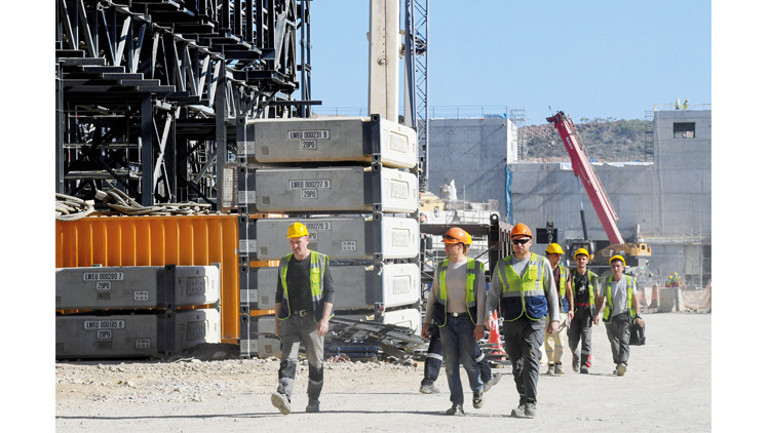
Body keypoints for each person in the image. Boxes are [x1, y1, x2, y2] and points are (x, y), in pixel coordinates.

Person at [486, 223, 560, 419]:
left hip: (535, 318)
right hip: (512, 318)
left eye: (523, 241)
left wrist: (554, 319)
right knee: (517, 363)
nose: (519, 245)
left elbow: (551, 293)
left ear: (530, 242)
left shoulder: (541, 263)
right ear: (512, 242)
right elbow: (493, 294)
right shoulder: (503, 265)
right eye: (516, 241)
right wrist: (489, 314)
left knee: (531, 355)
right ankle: (523, 399)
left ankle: (531, 403)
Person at [271, 222, 334, 415]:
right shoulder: (284, 263)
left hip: (312, 321)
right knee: (288, 358)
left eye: (298, 241)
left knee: (316, 362)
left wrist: (325, 319)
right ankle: (284, 396)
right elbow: (279, 294)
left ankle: (313, 400)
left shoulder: (320, 260)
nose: (295, 246)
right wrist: (277, 321)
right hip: (290, 319)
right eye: (291, 242)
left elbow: (330, 292)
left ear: (307, 240)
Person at [422, 227, 486, 416]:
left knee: (468, 360)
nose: (446, 248)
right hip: (446, 321)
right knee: (450, 365)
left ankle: (478, 387)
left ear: (461, 246)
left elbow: (481, 298)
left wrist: (480, 324)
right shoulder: (442, 267)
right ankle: (457, 404)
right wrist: (426, 322)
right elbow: (433, 296)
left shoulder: (475, 267)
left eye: (449, 245)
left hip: (467, 321)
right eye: (446, 245)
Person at [420, 317, 502, 394]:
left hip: (442, 317)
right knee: (471, 347)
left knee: (436, 347)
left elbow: (431, 305)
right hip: (461, 317)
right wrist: (485, 317)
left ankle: (428, 382)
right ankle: (487, 378)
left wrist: (426, 322)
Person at [593, 255, 645, 376]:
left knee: (624, 339)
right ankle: (618, 364)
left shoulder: (629, 281)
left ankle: (623, 363)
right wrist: (596, 314)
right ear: (611, 268)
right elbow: (600, 299)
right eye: (613, 266)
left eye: (618, 266)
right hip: (610, 317)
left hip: (625, 316)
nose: (616, 269)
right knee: (614, 342)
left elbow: (635, 299)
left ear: (623, 267)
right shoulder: (606, 281)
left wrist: (637, 315)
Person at [567, 248, 599, 374]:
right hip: (573, 312)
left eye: (583, 259)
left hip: (586, 313)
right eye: (579, 259)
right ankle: (576, 357)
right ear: (575, 260)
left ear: (587, 260)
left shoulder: (592, 277)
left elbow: (598, 296)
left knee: (586, 340)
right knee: (572, 341)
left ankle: (584, 364)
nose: (581, 261)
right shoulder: (570, 275)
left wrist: (596, 314)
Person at [544, 243, 573, 376]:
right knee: (548, 337)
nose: (559, 257)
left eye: (560, 255)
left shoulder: (565, 271)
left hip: (561, 307)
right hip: (545, 307)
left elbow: (569, 291)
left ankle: (558, 363)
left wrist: (571, 308)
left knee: (560, 337)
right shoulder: (542, 270)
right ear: (549, 255)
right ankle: (550, 364)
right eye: (556, 255)